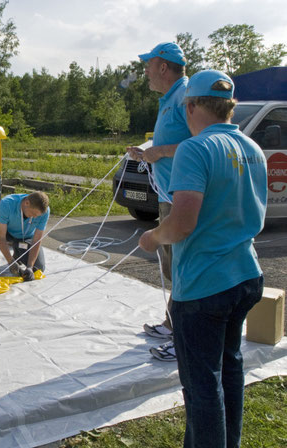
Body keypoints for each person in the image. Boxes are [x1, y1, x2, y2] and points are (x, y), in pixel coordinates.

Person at [139, 70, 267, 448]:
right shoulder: (252, 148)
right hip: (246, 275)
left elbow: (181, 224)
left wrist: (152, 236)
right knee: (230, 370)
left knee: (201, 385)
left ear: (191, 106)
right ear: (232, 107)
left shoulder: (195, 149)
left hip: (204, 285)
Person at [127, 42, 191, 361]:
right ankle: (172, 323)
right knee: (172, 266)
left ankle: (184, 336)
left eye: (149, 66)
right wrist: (147, 154)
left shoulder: (185, 95)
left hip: (184, 197)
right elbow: (169, 145)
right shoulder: (168, 99)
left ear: (163, 66)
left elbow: (200, 144)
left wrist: (161, 151)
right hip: (169, 195)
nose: (146, 73)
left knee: (184, 267)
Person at [0, 192, 50, 280]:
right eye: (33, 214)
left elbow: (37, 240)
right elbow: (1, 237)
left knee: (38, 269)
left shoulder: (44, 211)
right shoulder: (7, 204)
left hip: (25, 238)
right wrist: (10, 261)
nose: (34, 217)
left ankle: (18, 253)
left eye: (37, 216)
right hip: (8, 234)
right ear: (27, 203)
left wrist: (30, 266)